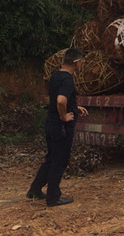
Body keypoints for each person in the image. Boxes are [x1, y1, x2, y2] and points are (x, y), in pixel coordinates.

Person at [27, 48, 88, 207]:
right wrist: (64, 116)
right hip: (61, 127)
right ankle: (53, 197)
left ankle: (34, 190)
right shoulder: (67, 79)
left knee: (51, 158)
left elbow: (59, 98)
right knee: (59, 161)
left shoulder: (56, 75)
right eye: (81, 61)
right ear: (76, 62)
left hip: (51, 123)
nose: (81, 63)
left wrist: (74, 107)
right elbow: (61, 101)